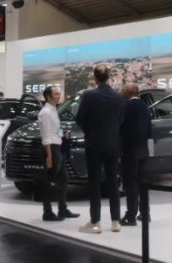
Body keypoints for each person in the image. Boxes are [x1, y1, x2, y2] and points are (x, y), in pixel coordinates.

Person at [75, 65, 125, 234]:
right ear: (109, 76)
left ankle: (95, 222)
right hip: (113, 144)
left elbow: (80, 118)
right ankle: (116, 221)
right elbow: (121, 119)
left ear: (95, 78)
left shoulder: (88, 96)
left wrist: (90, 132)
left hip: (94, 144)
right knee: (113, 182)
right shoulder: (118, 96)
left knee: (94, 182)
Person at [37, 85, 79, 222]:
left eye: (59, 93)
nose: (59, 96)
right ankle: (47, 212)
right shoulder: (45, 113)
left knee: (63, 179)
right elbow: (45, 135)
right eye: (56, 94)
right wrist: (49, 155)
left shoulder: (53, 110)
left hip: (57, 148)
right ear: (48, 97)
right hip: (51, 149)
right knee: (49, 182)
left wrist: (63, 133)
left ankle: (62, 209)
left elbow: (54, 130)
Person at [120, 83, 151, 227]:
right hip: (143, 149)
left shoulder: (126, 107)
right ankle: (145, 213)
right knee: (142, 183)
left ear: (128, 92)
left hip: (130, 150)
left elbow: (122, 128)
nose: (121, 91)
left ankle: (130, 216)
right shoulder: (144, 106)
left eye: (123, 90)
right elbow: (149, 129)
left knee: (130, 183)